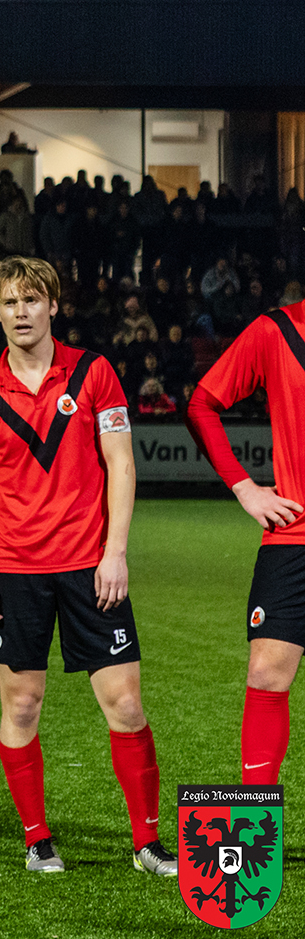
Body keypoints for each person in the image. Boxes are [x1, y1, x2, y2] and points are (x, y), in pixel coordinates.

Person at [0, 255, 177, 875]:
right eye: (10, 302)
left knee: (125, 704)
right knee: (22, 705)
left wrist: (115, 553)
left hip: (90, 567)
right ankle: (37, 840)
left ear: (53, 305)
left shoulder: (93, 372)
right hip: (15, 571)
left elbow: (122, 463)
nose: (21, 312)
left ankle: (147, 843)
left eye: (32, 300)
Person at [183, 294, 305, 784]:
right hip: (294, 535)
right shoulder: (278, 330)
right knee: (265, 674)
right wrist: (243, 486)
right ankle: (256, 825)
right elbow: (202, 404)